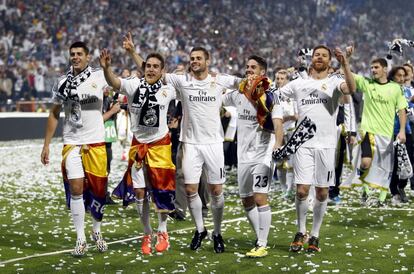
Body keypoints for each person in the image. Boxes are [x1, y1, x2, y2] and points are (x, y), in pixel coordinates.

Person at [123, 32, 241, 253]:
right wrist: (132, 52)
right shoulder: (182, 81)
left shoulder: (219, 80)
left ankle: (216, 232)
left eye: (199, 58)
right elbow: (152, 72)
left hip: (214, 143)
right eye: (192, 58)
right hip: (190, 144)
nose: (195, 61)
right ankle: (200, 229)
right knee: (189, 189)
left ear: (208, 61)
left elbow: (242, 83)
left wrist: (256, 81)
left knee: (216, 191)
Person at [279, 45, 356, 253]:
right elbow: (276, 96)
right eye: (316, 55)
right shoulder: (299, 83)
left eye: (324, 55)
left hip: (327, 145)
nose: (319, 57)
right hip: (304, 145)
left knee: (322, 193)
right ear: (311, 59)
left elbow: (351, 89)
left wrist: (346, 63)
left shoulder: (334, 81)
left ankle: (315, 235)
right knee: (302, 190)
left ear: (329, 60)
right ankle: (300, 231)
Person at [100, 49, 176, 255]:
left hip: (160, 145)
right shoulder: (134, 85)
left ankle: (163, 231)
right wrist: (106, 68)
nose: (151, 69)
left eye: (155, 67)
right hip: (138, 144)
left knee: (161, 190)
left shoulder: (169, 89)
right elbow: (115, 82)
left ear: (162, 71)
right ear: (143, 68)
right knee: (140, 192)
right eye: (148, 66)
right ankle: (146, 233)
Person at [40, 41, 109, 256]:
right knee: (76, 189)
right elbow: (54, 113)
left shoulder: (99, 76)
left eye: (80, 54)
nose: (75, 57)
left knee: (98, 191)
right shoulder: (61, 82)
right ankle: (80, 240)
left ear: (88, 57)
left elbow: (118, 84)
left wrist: (108, 68)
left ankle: (97, 231)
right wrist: (46, 145)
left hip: (96, 142)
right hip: (72, 143)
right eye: (73, 54)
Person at [222, 55, 283, 257]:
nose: (248, 70)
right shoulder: (238, 93)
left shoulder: (270, 95)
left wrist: (278, 145)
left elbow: (278, 123)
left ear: (262, 72)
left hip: (263, 153)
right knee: (246, 200)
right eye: (247, 67)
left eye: (253, 67)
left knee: (259, 197)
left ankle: (262, 244)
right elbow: (218, 100)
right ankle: (260, 237)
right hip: (243, 154)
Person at [353, 58, 407, 206]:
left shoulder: (396, 88)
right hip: (368, 131)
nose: (373, 70)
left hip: (386, 134)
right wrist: (345, 61)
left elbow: (401, 110)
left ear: (385, 69)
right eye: (371, 68)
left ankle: (381, 199)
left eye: (376, 67)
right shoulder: (367, 84)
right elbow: (350, 75)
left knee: (385, 168)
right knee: (365, 163)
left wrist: (402, 130)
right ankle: (365, 189)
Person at [388, 66, 413, 204]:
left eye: (404, 76)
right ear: (392, 76)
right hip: (392, 131)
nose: (402, 78)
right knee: (396, 164)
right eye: (399, 75)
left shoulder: (408, 91)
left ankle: (401, 186)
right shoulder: (388, 90)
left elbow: (411, 113)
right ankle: (395, 192)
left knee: (409, 163)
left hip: (407, 131)